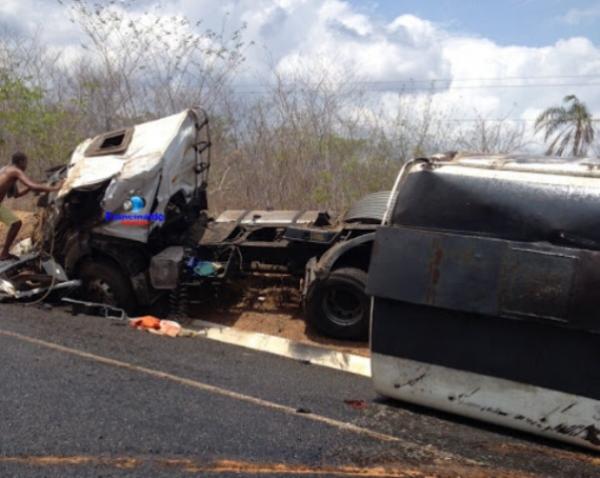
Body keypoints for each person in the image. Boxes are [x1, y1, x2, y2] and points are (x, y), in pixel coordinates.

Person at [0, 152, 62, 260]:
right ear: (21, 162)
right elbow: (32, 185)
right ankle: (4, 253)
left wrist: (32, 187)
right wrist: (55, 188)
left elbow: (16, 195)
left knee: (16, 223)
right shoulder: (15, 171)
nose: (26, 166)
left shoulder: (7, 170)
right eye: (26, 162)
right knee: (16, 224)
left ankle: (4, 253)